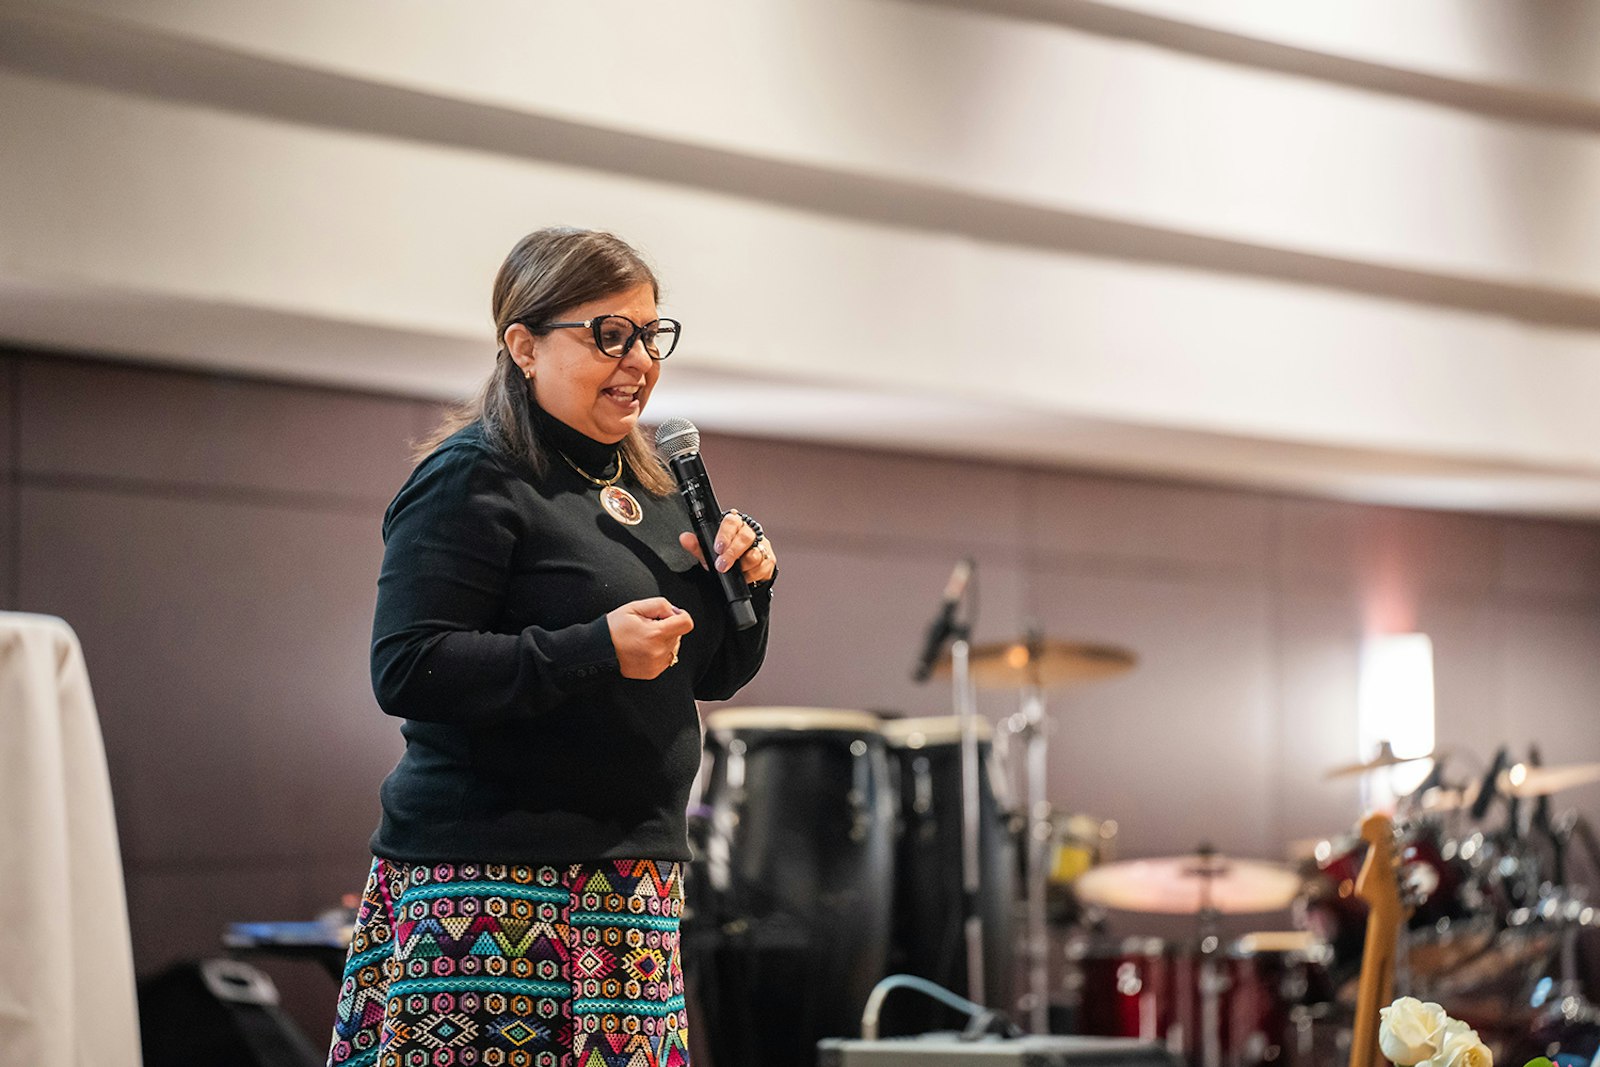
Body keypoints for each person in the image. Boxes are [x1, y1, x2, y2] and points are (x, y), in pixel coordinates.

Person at [326, 227, 776, 1067]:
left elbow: (712, 671)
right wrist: (594, 647)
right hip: (493, 889)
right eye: (609, 333)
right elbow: (409, 665)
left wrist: (747, 586)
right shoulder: (473, 474)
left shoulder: (658, 484)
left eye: (651, 334)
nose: (639, 357)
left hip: (630, 888)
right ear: (523, 345)